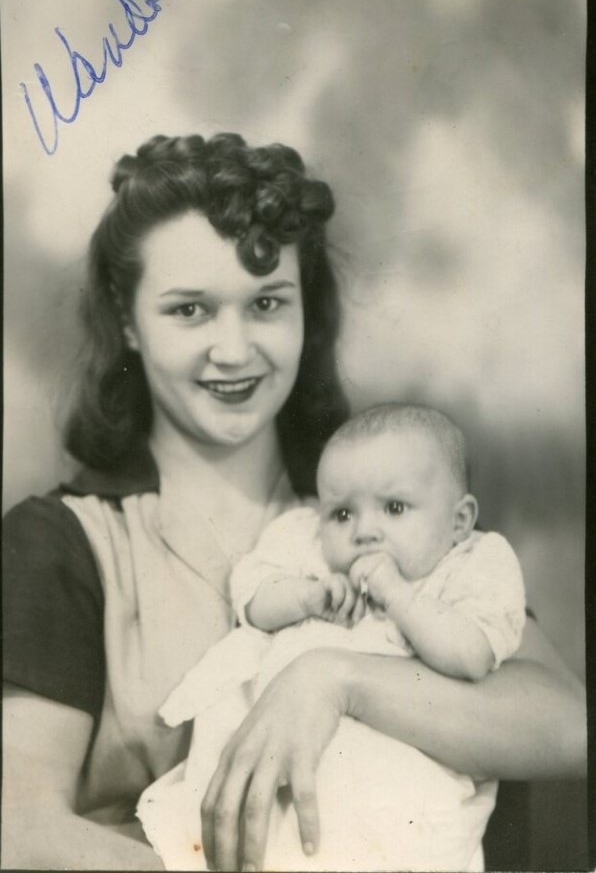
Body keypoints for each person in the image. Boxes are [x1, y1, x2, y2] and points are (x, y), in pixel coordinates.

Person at [1, 134, 586, 873]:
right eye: (190, 311)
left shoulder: (381, 514)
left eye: (268, 303)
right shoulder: (64, 543)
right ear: (126, 321)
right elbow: (16, 826)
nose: (235, 349)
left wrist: (336, 680)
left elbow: (567, 723)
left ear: (306, 310)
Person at [137, 404, 526, 871]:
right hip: (279, 763)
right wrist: (307, 597)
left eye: (394, 508)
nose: (363, 532)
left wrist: (398, 596)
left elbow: (472, 655)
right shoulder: (309, 549)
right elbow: (252, 601)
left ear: (460, 521)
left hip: (400, 783)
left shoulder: (469, 564)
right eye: (341, 513)